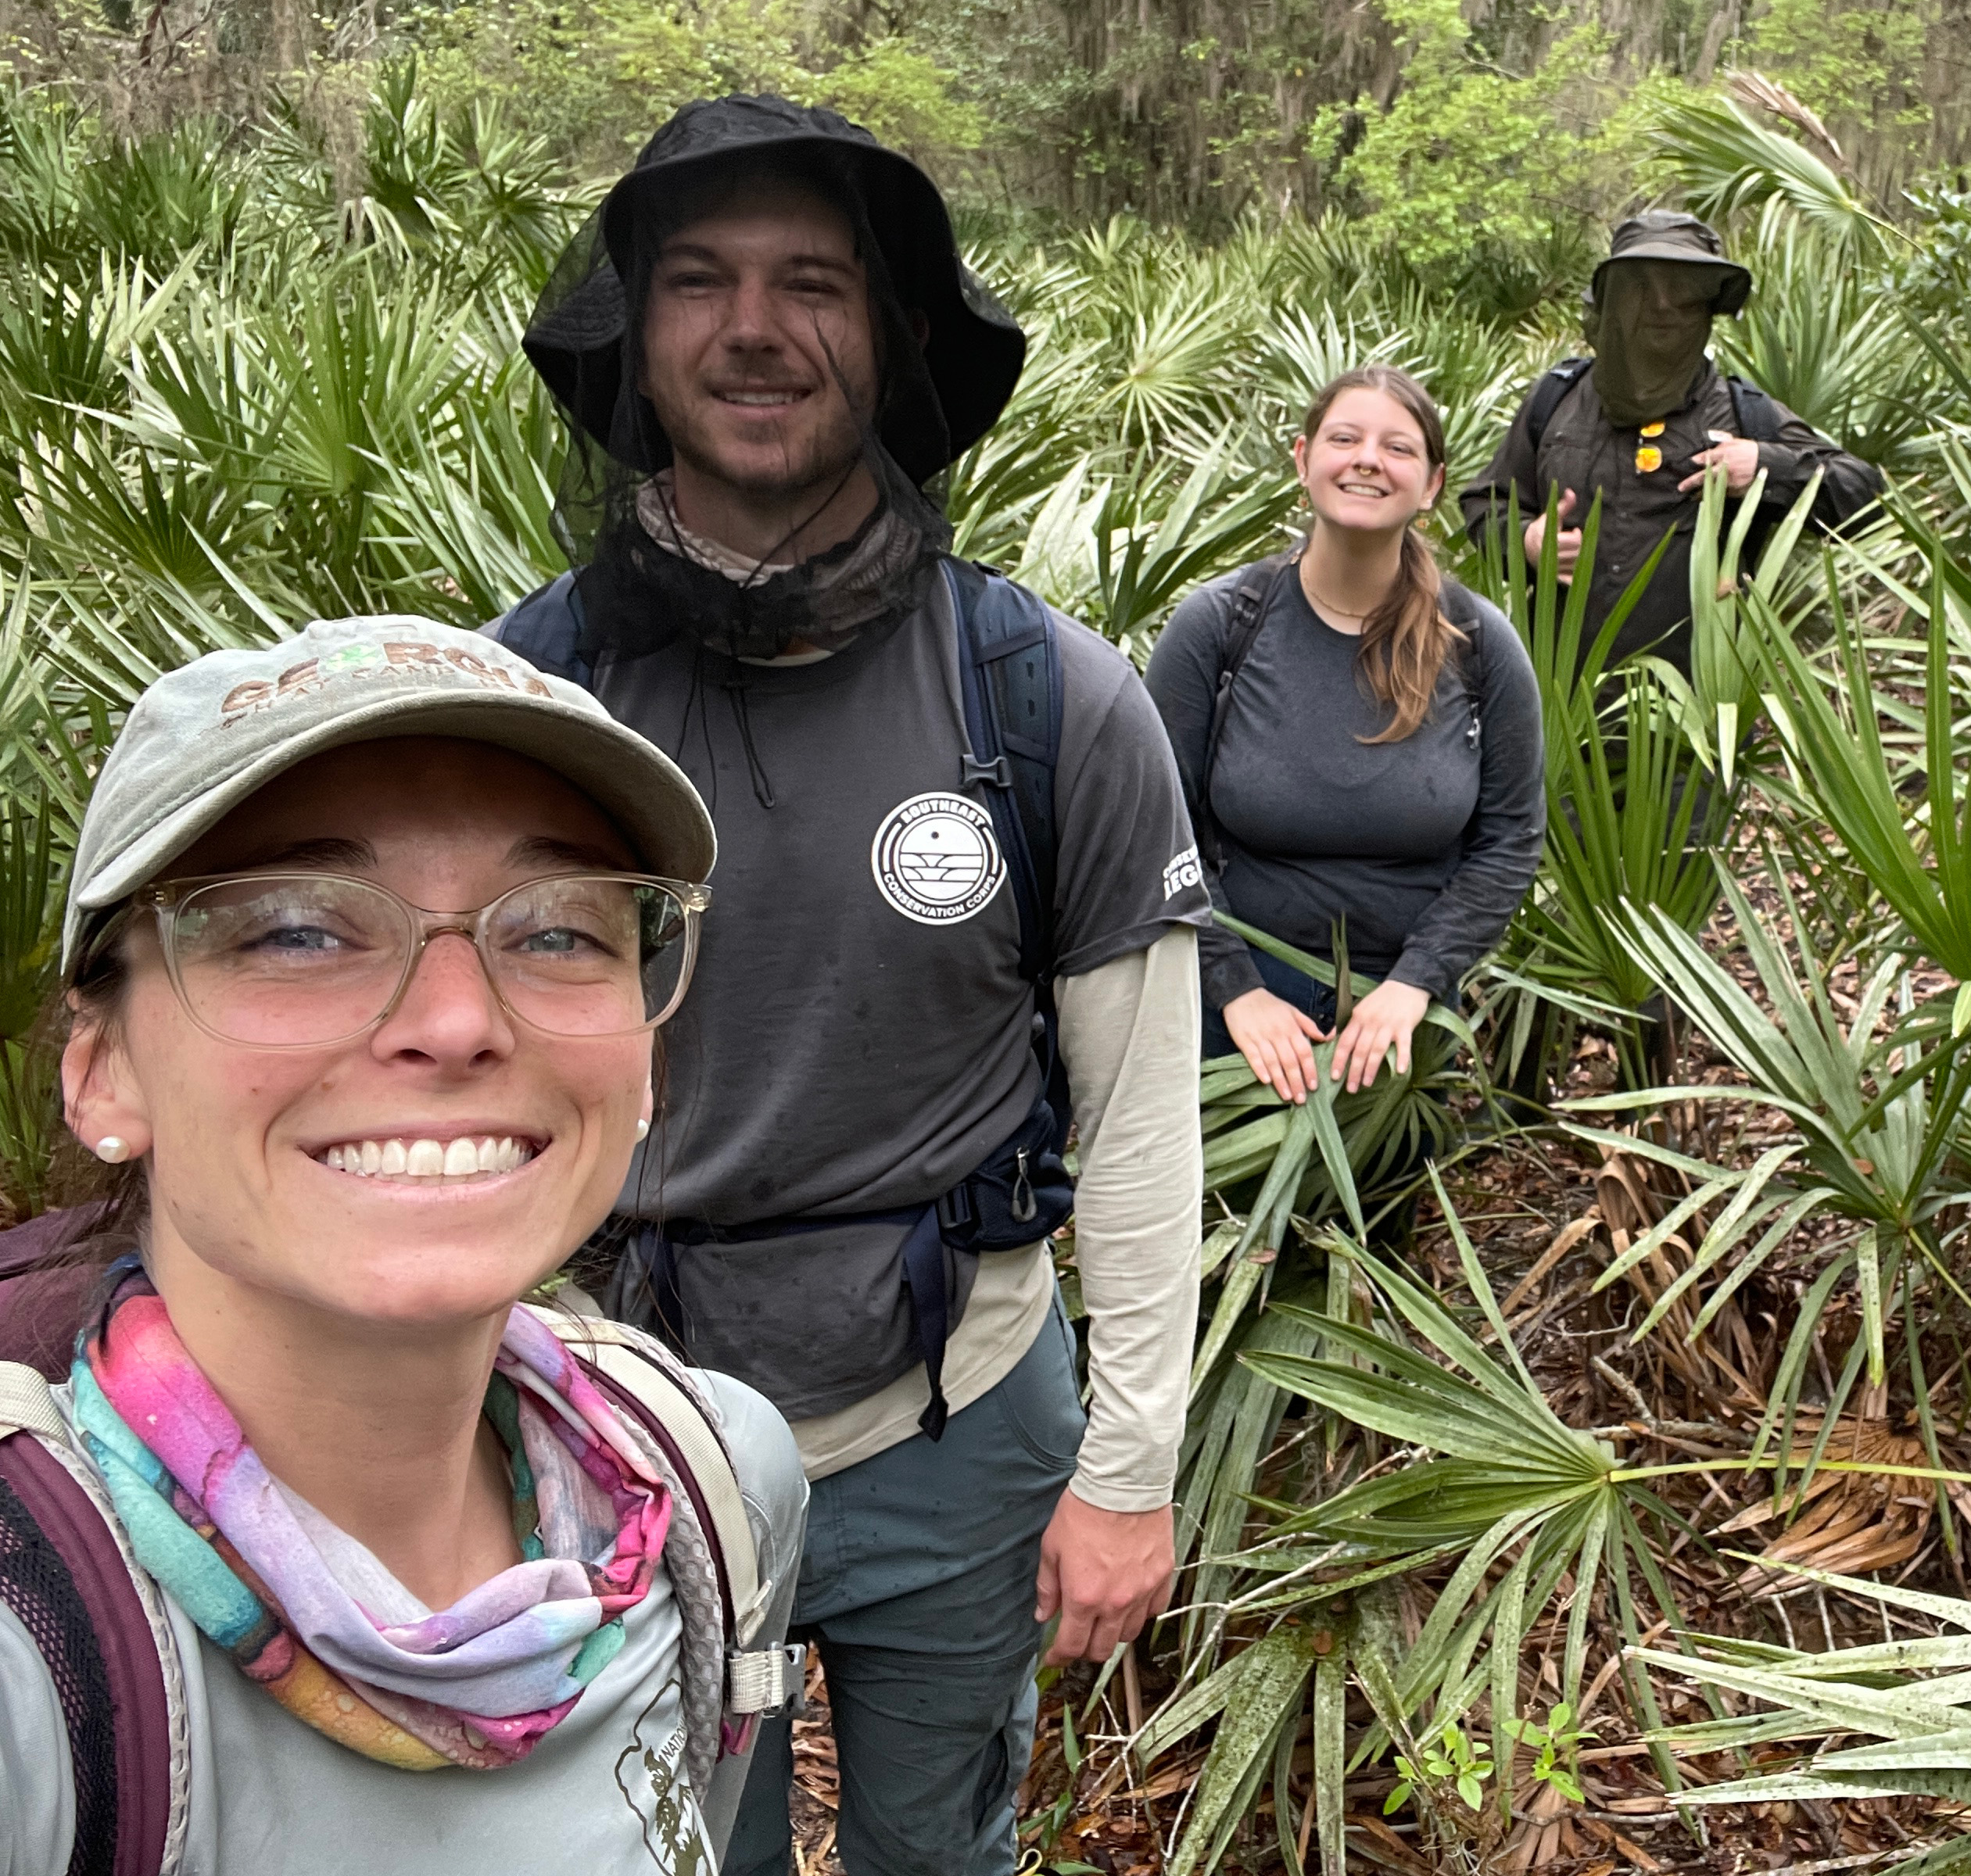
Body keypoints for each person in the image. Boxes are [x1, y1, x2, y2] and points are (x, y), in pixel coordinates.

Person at [489, 96, 1207, 1876]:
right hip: (618, 1429)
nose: (755, 325)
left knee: (939, 1846)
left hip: (956, 1420)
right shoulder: (520, 703)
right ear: (636, 337)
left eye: (815, 280)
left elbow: (1138, 1117)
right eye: (700, 279)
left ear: (887, 345)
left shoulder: (1047, 697)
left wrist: (1128, 1468)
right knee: (666, 1854)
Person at [0, 614, 807, 1874]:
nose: (456, 1019)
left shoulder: (710, 1486)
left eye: (558, 930)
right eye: (296, 930)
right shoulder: (33, 1641)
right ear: (101, 1075)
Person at [1147, 367, 1544, 1103]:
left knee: (1388, 1216)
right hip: (1233, 1013)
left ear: (1431, 485)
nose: (1367, 459)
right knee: (1234, 1220)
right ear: (1303, 460)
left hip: (1406, 1017)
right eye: (1345, 438)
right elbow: (1155, 831)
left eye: (1397, 447)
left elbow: (1511, 839)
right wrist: (1235, 989)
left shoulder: (1480, 643)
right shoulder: (1217, 626)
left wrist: (1416, 981)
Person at [1460, 210, 1887, 669]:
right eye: (1642, 287)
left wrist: (1767, 466)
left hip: (1696, 709)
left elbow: (1866, 497)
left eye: (1682, 291)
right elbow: (1486, 506)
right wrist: (1526, 541)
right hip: (1558, 702)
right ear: (1609, 302)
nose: (1663, 306)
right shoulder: (1556, 400)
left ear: (1707, 308)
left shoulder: (1745, 414)